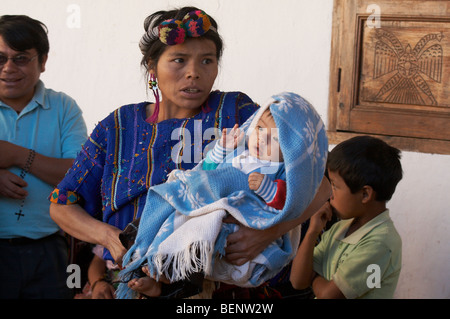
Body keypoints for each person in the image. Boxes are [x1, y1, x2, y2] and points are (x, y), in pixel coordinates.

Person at [49, 7, 330, 299]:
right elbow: (62, 204)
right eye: (179, 60)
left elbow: (320, 186)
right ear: (152, 67)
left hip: (221, 290)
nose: (194, 72)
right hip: (131, 284)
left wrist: (266, 233)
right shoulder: (118, 127)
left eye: (207, 61)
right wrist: (110, 238)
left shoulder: (241, 114)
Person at [117, 92, 328, 299]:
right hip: (205, 205)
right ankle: (148, 265)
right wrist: (220, 150)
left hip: (233, 223)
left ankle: (168, 278)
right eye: (260, 128)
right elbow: (206, 172)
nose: (261, 138)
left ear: (292, 152)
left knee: (202, 232)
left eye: (274, 138)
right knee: (171, 216)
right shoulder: (239, 151)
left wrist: (266, 189)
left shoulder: (279, 171)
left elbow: (288, 202)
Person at [0, 15, 87, 298]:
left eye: (21, 58)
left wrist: (16, 155)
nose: (8, 68)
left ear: (43, 61)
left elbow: (78, 176)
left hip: (48, 250)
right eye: (0, 58)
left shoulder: (63, 107)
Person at [290, 136, 403, 299]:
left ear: (365, 194)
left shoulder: (381, 243)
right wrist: (312, 233)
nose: (330, 194)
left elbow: (329, 296)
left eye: (335, 186)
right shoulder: (340, 228)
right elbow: (298, 281)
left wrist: (312, 278)